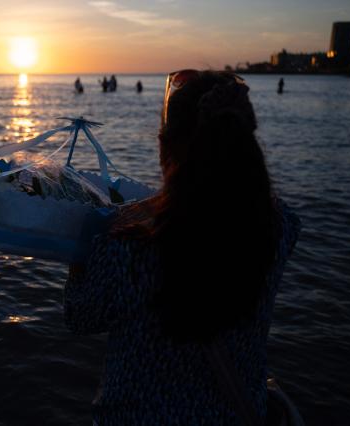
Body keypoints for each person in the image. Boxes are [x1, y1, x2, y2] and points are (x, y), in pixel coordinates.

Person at [64, 70, 301, 425]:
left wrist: (81, 251)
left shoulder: (129, 250)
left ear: (165, 146)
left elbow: (80, 317)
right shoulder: (278, 228)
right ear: (242, 138)